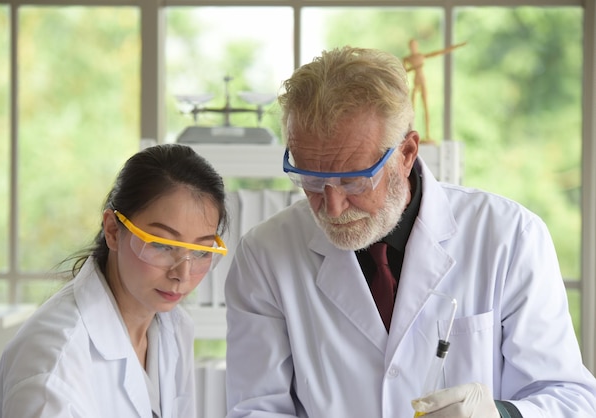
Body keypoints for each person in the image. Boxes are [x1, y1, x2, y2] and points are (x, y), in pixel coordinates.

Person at [224, 46, 596, 417]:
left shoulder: (510, 236)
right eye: (311, 180)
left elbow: (569, 398)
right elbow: (255, 408)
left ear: (406, 153)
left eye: (354, 181)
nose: (332, 207)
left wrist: (502, 415)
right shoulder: (265, 254)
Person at [0, 143, 229, 418]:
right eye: (162, 245)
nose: (182, 274)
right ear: (112, 230)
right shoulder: (54, 361)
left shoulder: (172, 326)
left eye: (201, 251)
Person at [402, 39, 465, 143]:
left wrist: (457, 46)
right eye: (411, 45)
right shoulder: (407, 59)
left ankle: (427, 134)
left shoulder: (421, 56)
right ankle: (410, 133)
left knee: (426, 107)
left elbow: (439, 52)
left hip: (422, 81)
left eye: (414, 45)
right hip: (415, 82)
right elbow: (404, 72)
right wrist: (415, 68)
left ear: (417, 46)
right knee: (412, 109)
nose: (413, 47)